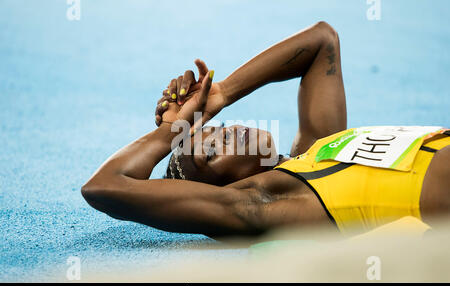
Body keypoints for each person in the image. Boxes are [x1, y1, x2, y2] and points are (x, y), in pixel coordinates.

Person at [81, 22, 450, 239]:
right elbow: (104, 187)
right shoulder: (269, 201)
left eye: (218, 129)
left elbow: (321, 41)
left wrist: (222, 93)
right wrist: (172, 129)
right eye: (210, 152)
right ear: (216, 192)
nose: (225, 134)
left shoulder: (317, 150)